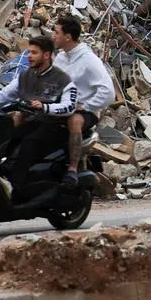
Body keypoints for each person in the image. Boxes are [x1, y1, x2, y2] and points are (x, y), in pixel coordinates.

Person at [0, 35, 78, 190]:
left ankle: (16, 188)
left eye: (34, 53)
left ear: (46, 55)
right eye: (28, 52)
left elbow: (69, 106)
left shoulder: (62, 79)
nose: (29, 56)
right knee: (4, 136)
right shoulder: (25, 76)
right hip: (34, 121)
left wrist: (46, 107)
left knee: (28, 143)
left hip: (56, 125)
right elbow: (5, 95)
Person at [52, 13, 115, 188]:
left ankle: (72, 169)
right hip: (62, 106)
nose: (53, 36)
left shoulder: (89, 60)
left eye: (57, 32)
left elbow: (108, 92)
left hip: (85, 111)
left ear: (68, 37)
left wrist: (86, 105)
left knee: (75, 121)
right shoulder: (61, 57)